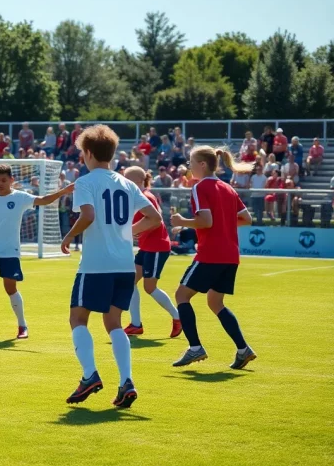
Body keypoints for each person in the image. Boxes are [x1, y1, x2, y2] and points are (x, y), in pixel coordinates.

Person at [60, 125, 162, 408]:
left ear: (88, 153)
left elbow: (89, 215)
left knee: (78, 320)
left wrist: (69, 236)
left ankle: (89, 375)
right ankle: (126, 381)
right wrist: (126, 233)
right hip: (124, 266)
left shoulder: (86, 181)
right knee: (114, 323)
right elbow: (155, 218)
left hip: (95, 265)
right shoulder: (128, 183)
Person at [170, 146, 256, 369]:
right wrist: (224, 223)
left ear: (202, 164)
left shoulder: (200, 188)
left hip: (211, 254)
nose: (189, 167)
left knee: (181, 295)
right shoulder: (227, 188)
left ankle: (195, 348)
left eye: (191, 162)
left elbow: (206, 221)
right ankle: (243, 349)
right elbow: (246, 218)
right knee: (215, 302)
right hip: (230, 255)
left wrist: (182, 222)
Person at [0, 165, 74, 338]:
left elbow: (44, 199)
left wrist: (63, 191)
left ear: (12, 180)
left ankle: (22, 325)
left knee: (10, 288)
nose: (0, 184)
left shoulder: (20, 197)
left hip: (10, 251)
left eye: (4, 180)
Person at [122, 167, 181, 338]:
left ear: (138, 181)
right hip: (147, 246)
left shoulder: (145, 196)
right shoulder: (140, 195)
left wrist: (131, 231)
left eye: (127, 180)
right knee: (130, 281)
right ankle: (136, 324)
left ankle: (178, 317)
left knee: (149, 287)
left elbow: (156, 221)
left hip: (157, 247)